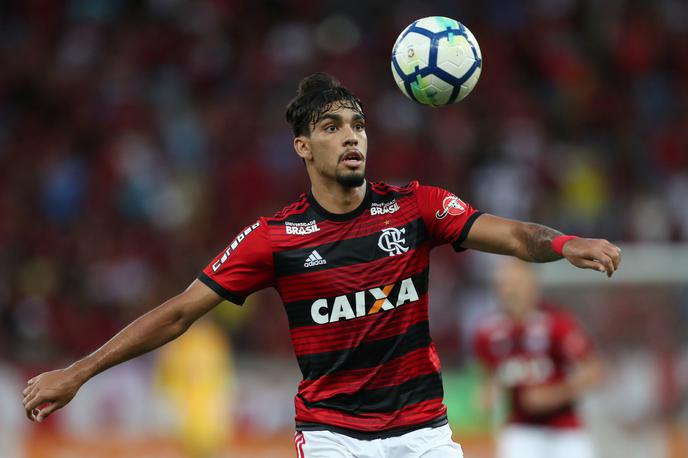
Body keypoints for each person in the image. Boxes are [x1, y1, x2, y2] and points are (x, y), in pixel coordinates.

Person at [22, 73, 621, 458]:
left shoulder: (417, 206)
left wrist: (566, 243)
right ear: (303, 147)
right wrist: (78, 372)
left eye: (358, 125)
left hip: (425, 433)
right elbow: (179, 313)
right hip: (335, 435)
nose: (351, 137)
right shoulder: (274, 237)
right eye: (332, 127)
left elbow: (515, 235)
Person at [473, 258, 603, 458]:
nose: (507, 291)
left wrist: (553, 395)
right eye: (502, 284)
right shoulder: (487, 333)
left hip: (565, 430)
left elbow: (593, 371)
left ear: (531, 284)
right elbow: (487, 380)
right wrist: (488, 396)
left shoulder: (557, 323)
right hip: (520, 430)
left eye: (514, 283)